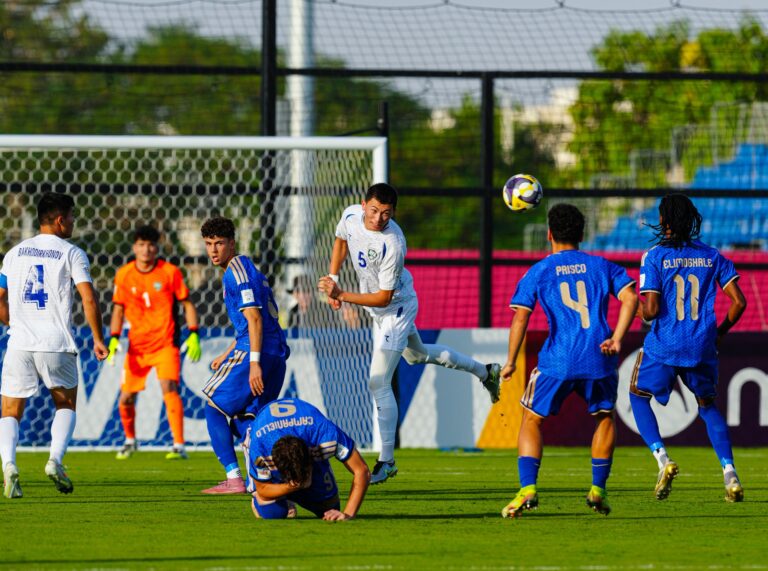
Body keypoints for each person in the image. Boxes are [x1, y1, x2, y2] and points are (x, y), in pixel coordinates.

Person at [318, 182, 502, 485]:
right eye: (374, 211)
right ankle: (485, 372)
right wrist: (333, 276)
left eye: (386, 214)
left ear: (394, 214)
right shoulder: (351, 216)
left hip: (397, 309)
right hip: (376, 309)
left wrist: (342, 293)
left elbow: (384, 298)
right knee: (417, 356)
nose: (378, 219)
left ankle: (387, 461)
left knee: (378, 381)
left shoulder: (394, 243)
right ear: (363, 205)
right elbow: (340, 240)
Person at [499, 203, 638, 518]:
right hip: (599, 357)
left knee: (532, 419)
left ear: (549, 234)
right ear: (582, 234)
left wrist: (510, 361)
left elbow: (520, 317)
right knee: (604, 419)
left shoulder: (539, 270)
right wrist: (617, 338)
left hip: (557, 360)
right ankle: (598, 490)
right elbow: (631, 298)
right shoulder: (602, 265)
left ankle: (528, 488)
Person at [631, 193, 747, 502]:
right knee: (708, 407)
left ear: (664, 221)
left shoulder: (654, 256)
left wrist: (635, 309)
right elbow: (740, 302)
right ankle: (730, 473)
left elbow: (652, 309)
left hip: (665, 345)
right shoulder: (711, 255)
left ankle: (663, 459)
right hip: (701, 345)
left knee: (638, 397)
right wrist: (719, 333)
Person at [0, 192, 109, 499]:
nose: (74, 222)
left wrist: (13, 324)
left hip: (19, 344)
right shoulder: (71, 253)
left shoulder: (14, 253)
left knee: (9, 411)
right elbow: (88, 297)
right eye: (72, 217)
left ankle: (9, 465)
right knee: (65, 404)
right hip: (55, 343)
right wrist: (98, 339)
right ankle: (55, 461)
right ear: (61, 220)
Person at [200, 216, 289, 494]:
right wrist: (227, 353)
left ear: (232, 243)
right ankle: (262, 477)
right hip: (275, 352)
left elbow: (254, 319)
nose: (213, 250)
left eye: (219, 243)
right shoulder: (245, 267)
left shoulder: (236, 272)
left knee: (213, 407)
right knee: (246, 417)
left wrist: (253, 364)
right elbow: (251, 322)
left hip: (258, 352)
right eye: (208, 244)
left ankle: (234, 477)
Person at [108, 225, 202, 460]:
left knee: (169, 388)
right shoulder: (123, 274)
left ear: (157, 248)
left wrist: (193, 333)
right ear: (134, 247)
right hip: (137, 347)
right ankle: (130, 440)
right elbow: (118, 309)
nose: (146, 250)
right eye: (141, 245)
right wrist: (113, 338)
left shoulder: (169, 272)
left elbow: (187, 304)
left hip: (165, 343)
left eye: (150, 245)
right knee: (126, 397)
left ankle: (179, 445)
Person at [244, 398, 370, 520]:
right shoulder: (259, 448)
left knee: (329, 509)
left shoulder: (325, 434)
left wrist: (348, 514)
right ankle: (262, 498)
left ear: (311, 456)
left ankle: (298, 492)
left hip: (307, 432)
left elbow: (362, 470)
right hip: (266, 437)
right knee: (274, 513)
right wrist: (291, 486)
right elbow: (263, 488)